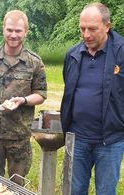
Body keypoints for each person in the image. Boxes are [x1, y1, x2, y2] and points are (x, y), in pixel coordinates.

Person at [0, 10, 47, 185]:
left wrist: (24, 100)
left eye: (18, 31)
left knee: (16, 184)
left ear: (26, 32)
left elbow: (41, 94)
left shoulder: (34, 62)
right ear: (3, 29)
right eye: (10, 30)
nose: (13, 35)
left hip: (19, 136)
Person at [60, 2, 124, 195]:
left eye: (92, 29)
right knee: (75, 190)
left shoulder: (121, 54)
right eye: (82, 28)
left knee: (105, 191)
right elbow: (69, 91)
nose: (86, 34)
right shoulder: (72, 54)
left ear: (107, 25)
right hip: (77, 138)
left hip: (110, 141)